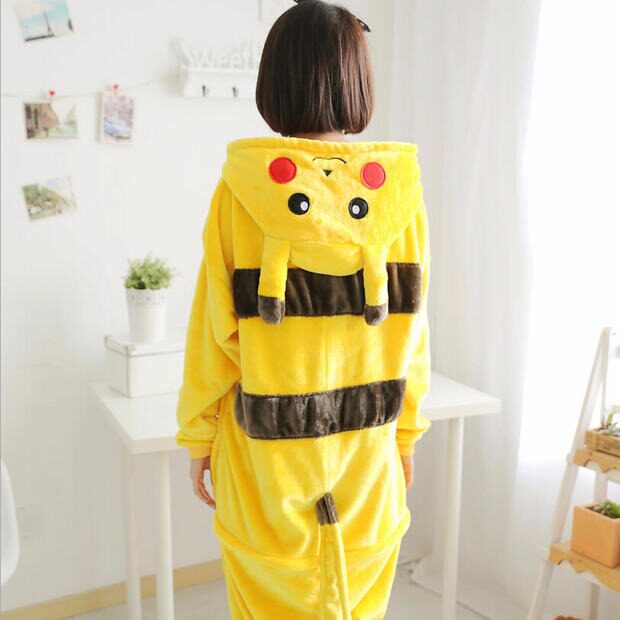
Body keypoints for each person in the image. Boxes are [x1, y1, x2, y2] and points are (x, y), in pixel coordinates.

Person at [175, 1, 432, 617]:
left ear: (275, 79)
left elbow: (213, 332)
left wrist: (198, 436)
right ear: (358, 80)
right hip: (367, 460)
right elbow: (412, 333)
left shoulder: (241, 192)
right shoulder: (398, 198)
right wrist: (406, 435)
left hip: (267, 467)